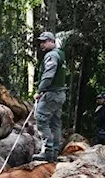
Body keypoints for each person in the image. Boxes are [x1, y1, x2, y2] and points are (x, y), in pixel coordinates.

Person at [32, 31, 67, 162]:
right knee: (55, 123)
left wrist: (40, 91)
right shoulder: (60, 54)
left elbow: (48, 75)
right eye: (41, 41)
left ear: (52, 41)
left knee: (41, 119)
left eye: (45, 41)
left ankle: (47, 152)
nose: (42, 44)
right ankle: (54, 152)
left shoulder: (52, 56)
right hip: (60, 94)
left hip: (51, 94)